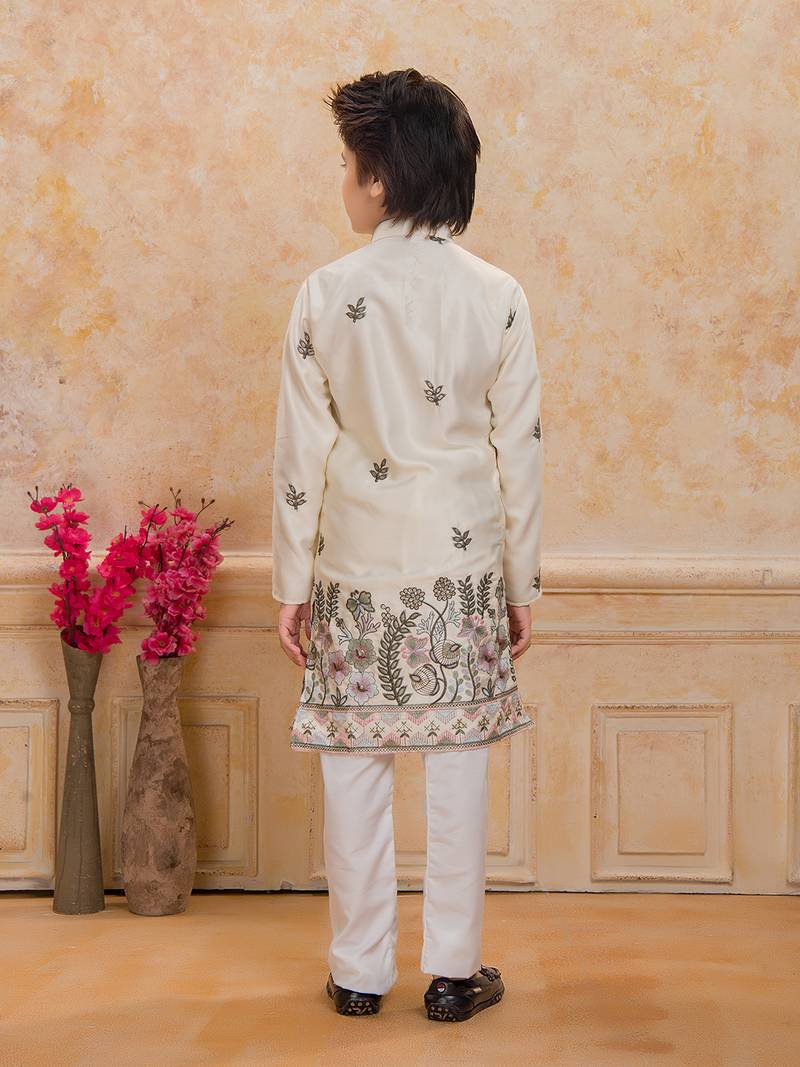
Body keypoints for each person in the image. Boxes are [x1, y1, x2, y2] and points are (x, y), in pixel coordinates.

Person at [271, 68, 543, 1022]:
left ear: (380, 178)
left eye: (347, 163)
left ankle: (357, 973)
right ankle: (455, 974)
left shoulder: (324, 293)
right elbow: (520, 453)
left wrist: (292, 582)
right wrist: (520, 584)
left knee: (355, 776)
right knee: (459, 774)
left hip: (354, 567)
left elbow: (301, 455)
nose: (341, 181)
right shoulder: (498, 294)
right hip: (460, 572)